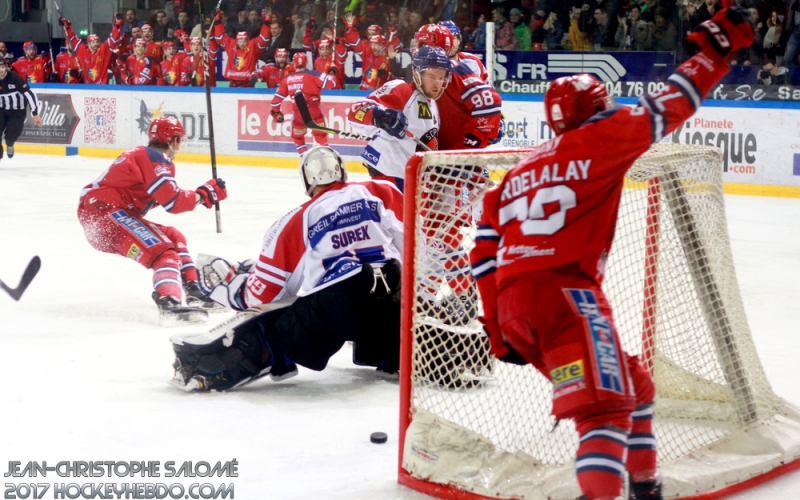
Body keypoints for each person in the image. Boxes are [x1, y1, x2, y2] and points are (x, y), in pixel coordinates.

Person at [469, 7, 754, 500]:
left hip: (517, 312)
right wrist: (713, 54)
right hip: (567, 301)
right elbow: (669, 104)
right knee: (604, 411)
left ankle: (645, 486)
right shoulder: (602, 137)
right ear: (597, 106)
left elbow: (483, 255)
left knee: (634, 385)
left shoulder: (516, 173)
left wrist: (496, 328)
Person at [170, 147, 404, 391]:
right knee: (388, 304)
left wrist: (235, 290)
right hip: (392, 304)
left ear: (307, 181)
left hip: (336, 308)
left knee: (278, 324)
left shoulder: (298, 218)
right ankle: (391, 355)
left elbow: (266, 294)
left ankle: (217, 368)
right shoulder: (380, 190)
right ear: (341, 170)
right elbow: (418, 244)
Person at [77, 117, 228, 325]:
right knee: (164, 253)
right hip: (106, 215)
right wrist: (204, 195)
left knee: (174, 236)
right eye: (180, 141)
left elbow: (164, 196)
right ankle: (168, 301)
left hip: (104, 218)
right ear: (174, 140)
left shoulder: (145, 157)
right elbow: (173, 202)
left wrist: (203, 194)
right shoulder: (153, 158)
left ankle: (193, 290)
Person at [347, 45, 450, 191]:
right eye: (432, 77)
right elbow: (356, 111)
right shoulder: (403, 90)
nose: (437, 84)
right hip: (392, 178)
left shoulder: (433, 104)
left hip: (415, 180)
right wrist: (381, 116)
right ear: (416, 73)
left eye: (441, 78)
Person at [270, 53, 336, 155]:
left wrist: (276, 113)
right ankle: (326, 159)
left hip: (299, 114)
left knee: (298, 138)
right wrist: (332, 72)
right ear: (306, 62)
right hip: (315, 111)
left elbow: (275, 102)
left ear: (293, 63)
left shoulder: (287, 79)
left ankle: (305, 159)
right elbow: (332, 84)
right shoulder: (315, 74)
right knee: (321, 137)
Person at [212, 8, 271, 86]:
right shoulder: (231, 44)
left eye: (244, 41)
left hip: (247, 83)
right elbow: (219, 37)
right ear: (236, 41)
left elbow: (264, 39)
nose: (242, 43)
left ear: (248, 40)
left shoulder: (252, 45)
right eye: (240, 41)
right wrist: (217, 21)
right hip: (233, 83)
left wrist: (267, 22)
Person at [0, 57, 43, 161]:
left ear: (6, 67)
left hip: (17, 112)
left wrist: (35, 113)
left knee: (11, 135)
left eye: (2, 67)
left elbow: (29, 94)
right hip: (1, 110)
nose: (0, 70)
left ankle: (10, 144)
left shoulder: (14, 77)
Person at [61, 14, 123, 84]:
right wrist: (67, 27)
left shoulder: (103, 50)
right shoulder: (83, 51)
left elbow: (113, 40)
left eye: (97, 41)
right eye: (93, 42)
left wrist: (117, 26)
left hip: (102, 87)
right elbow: (73, 39)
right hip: (88, 87)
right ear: (88, 43)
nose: (96, 43)